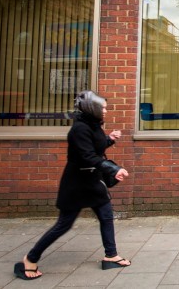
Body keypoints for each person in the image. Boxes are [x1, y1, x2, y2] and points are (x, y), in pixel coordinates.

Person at [13, 90, 131, 280]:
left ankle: (111, 256)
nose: (106, 111)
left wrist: (109, 139)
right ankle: (30, 259)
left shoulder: (93, 125)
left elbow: (94, 148)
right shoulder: (79, 129)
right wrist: (113, 169)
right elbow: (87, 156)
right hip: (77, 184)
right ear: (92, 108)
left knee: (106, 216)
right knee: (64, 224)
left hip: (93, 182)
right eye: (103, 108)